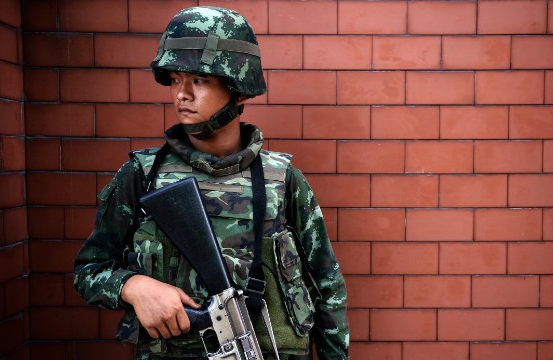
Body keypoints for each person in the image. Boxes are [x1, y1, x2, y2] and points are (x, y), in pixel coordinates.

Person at [73, 6, 349, 360]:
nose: (181, 94)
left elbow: (328, 290)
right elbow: (89, 270)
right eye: (175, 79)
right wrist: (134, 286)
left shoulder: (283, 181)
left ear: (239, 90)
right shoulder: (144, 175)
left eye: (199, 81)